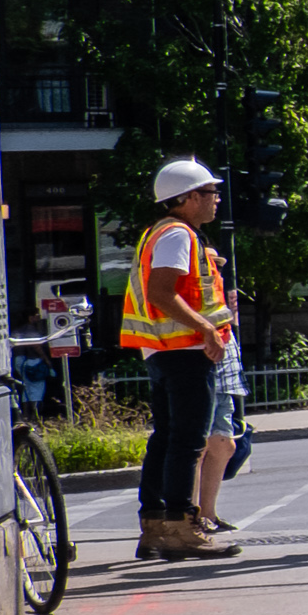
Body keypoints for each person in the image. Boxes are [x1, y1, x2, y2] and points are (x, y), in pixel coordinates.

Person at [123, 159, 239, 560]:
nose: (216, 200)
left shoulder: (164, 233)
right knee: (188, 440)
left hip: (163, 352)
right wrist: (207, 330)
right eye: (210, 193)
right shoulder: (177, 235)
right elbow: (160, 291)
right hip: (184, 352)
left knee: (166, 438)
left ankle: (154, 524)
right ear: (188, 198)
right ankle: (180, 525)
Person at [194, 260, 248, 539]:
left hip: (223, 375)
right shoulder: (192, 289)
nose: (217, 267)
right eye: (212, 262)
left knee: (224, 446)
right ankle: (190, 516)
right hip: (203, 368)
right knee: (197, 448)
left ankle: (208, 513)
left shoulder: (216, 291)